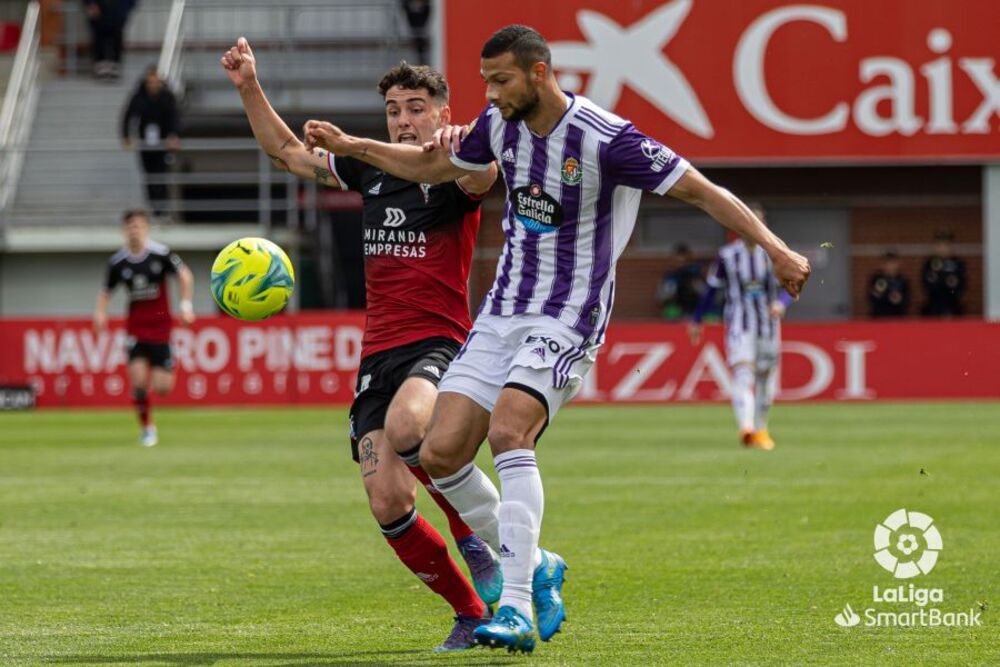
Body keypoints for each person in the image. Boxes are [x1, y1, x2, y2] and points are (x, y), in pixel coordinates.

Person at [303, 24, 810, 653]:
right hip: (503, 310)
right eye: (486, 80)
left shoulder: (608, 139)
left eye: (501, 80)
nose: (489, 92)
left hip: (568, 313)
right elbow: (432, 163)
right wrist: (354, 143)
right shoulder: (499, 124)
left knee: (509, 429)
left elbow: (702, 190)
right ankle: (538, 562)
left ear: (540, 73)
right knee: (437, 452)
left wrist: (777, 249)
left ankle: (513, 605)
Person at [221, 38, 502, 652]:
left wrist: (463, 150)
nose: (405, 120)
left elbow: (486, 174)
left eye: (417, 107)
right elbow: (289, 154)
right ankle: (473, 612)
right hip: (379, 353)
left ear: (442, 112)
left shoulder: (456, 164)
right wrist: (248, 85)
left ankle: (477, 538)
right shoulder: (371, 169)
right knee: (386, 501)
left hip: (442, 340)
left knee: (410, 427)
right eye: (396, 110)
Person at [688, 205, 792, 450]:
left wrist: (781, 303)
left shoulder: (774, 253)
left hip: (768, 325)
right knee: (743, 374)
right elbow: (711, 290)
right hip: (739, 324)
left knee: (766, 379)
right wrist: (697, 319)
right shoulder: (727, 256)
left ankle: (761, 428)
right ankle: (746, 428)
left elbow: (790, 285)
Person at [93, 209, 194, 447]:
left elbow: (185, 275)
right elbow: (105, 292)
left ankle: (169, 363)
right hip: (135, 329)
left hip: (161, 327)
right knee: (138, 381)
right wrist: (100, 314)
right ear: (124, 230)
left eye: (138, 226)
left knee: (162, 388)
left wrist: (186, 305)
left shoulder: (161, 254)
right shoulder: (118, 262)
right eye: (130, 226)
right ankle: (147, 428)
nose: (134, 230)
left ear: (146, 228)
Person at [122, 66, 181, 217]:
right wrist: (126, 136)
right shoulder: (139, 96)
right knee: (148, 176)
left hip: (163, 142)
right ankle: (154, 209)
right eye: (150, 82)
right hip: (145, 142)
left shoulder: (168, 97)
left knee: (161, 174)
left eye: (156, 82)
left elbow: (175, 117)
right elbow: (128, 115)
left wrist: (174, 135)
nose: (153, 85)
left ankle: (163, 209)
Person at [83, 0, 136, 80]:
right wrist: (90, 4)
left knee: (117, 38)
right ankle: (100, 66)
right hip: (98, 13)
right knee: (99, 39)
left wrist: (125, 10)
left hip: (118, 13)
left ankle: (115, 66)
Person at [921, 230, 966, 317]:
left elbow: (960, 287)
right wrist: (945, 281)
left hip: (953, 305)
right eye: (940, 245)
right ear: (935, 247)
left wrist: (948, 286)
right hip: (934, 306)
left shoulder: (958, 263)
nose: (943, 249)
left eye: (946, 245)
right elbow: (927, 286)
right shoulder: (929, 264)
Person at [656, 242, 706, 320]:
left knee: (711, 316)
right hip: (677, 310)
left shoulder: (696, 274)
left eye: (684, 260)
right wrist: (672, 288)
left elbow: (706, 294)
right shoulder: (671, 276)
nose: (681, 263)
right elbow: (661, 299)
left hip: (696, 309)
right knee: (671, 313)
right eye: (678, 260)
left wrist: (693, 283)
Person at [869, 249, 910, 317]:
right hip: (880, 318)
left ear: (897, 264)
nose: (890, 266)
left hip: (897, 319)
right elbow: (872, 298)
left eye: (893, 262)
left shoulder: (903, 280)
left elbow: (907, 301)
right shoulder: (877, 279)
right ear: (883, 264)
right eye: (887, 263)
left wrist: (900, 299)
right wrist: (887, 296)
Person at [400, 0, 431, 64]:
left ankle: (421, 62)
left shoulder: (426, 10)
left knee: (421, 50)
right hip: (415, 32)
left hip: (421, 34)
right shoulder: (410, 11)